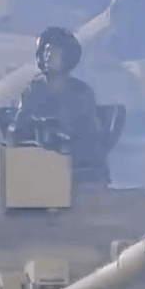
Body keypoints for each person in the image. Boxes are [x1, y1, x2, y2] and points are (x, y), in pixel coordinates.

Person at [8, 26, 109, 184]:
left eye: (54, 51)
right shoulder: (33, 90)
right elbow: (16, 130)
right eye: (46, 51)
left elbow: (92, 135)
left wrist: (62, 132)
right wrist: (37, 125)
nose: (48, 56)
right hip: (38, 168)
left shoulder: (81, 92)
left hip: (76, 168)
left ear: (67, 57)